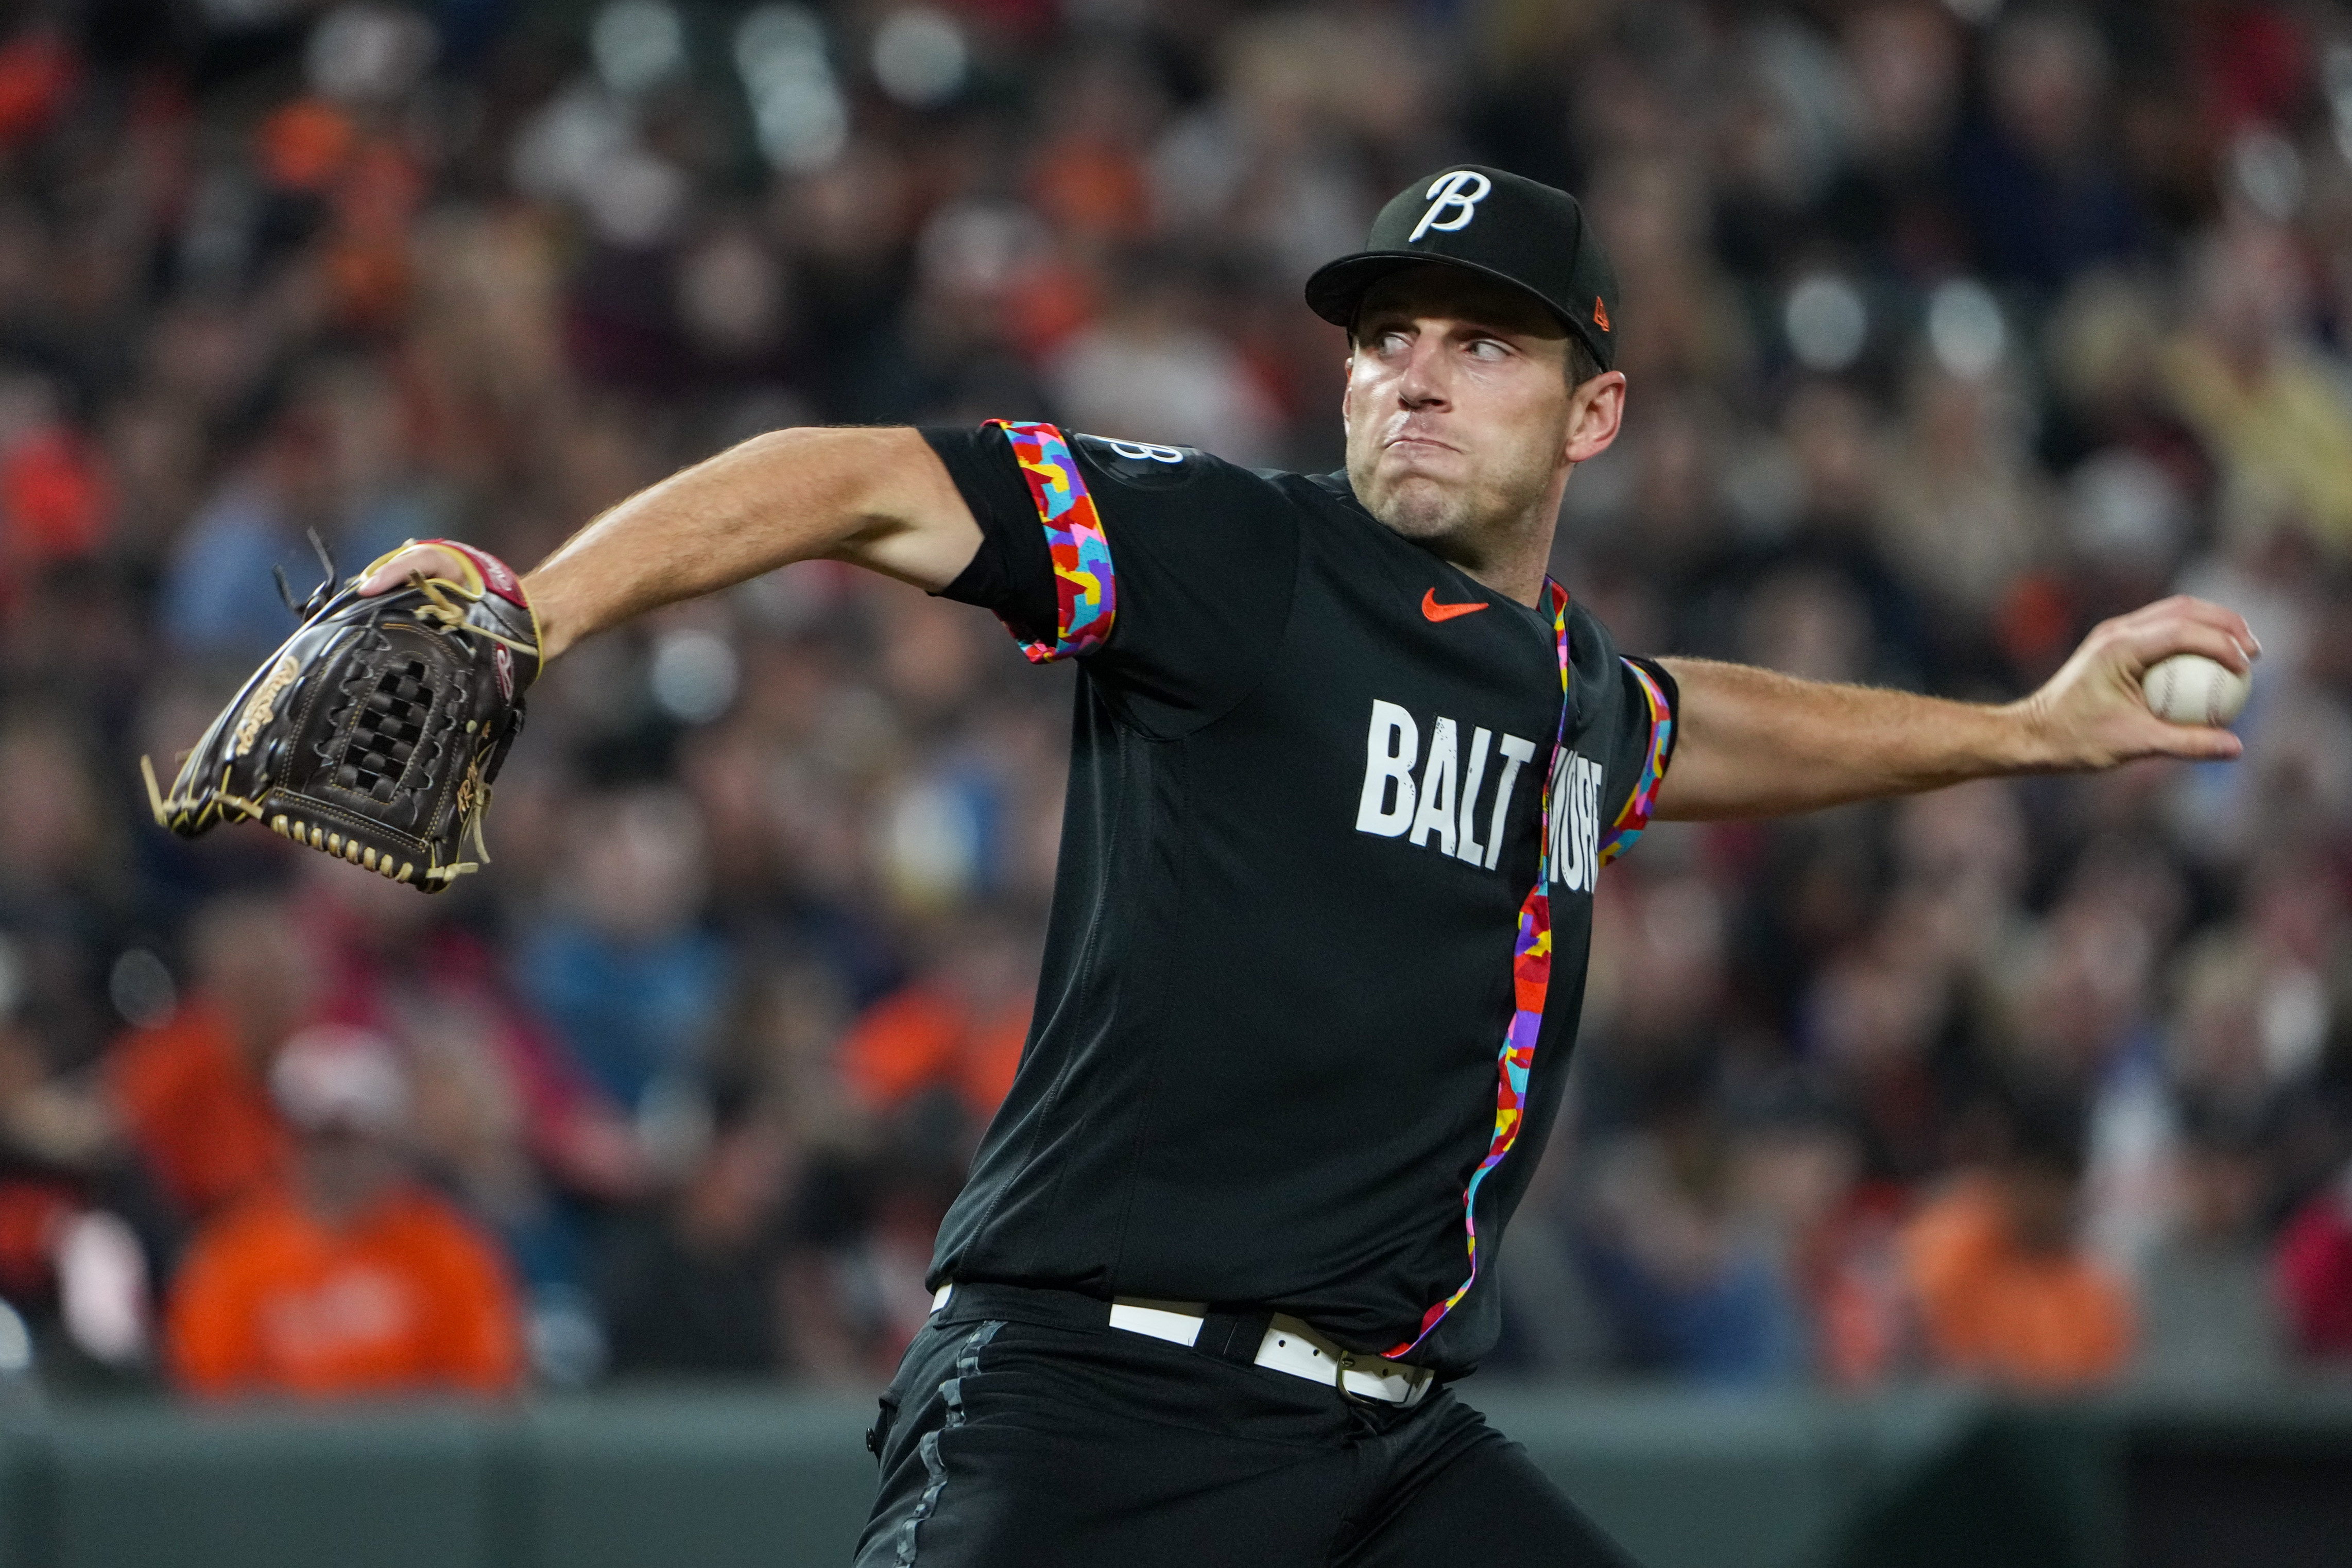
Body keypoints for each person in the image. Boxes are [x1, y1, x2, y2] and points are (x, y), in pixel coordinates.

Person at [362, 167, 2254, 1564]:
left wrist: (2020, 727)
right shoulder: (1240, 563)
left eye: (1481, 345)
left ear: (1593, 410)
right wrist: (538, 606)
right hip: (1101, 1404)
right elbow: (848, 477)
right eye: (1387, 342)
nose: (1415, 380)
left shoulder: (1563, 694)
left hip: (1385, 1457)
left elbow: (1694, 727)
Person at [165, 1025, 523, 1399]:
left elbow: (483, 1389)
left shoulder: (446, 1249)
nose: (334, 1159)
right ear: (286, 1140)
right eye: (318, 1138)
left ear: (384, 1141)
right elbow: (209, 1394)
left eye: (349, 1138)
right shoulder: (232, 1255)